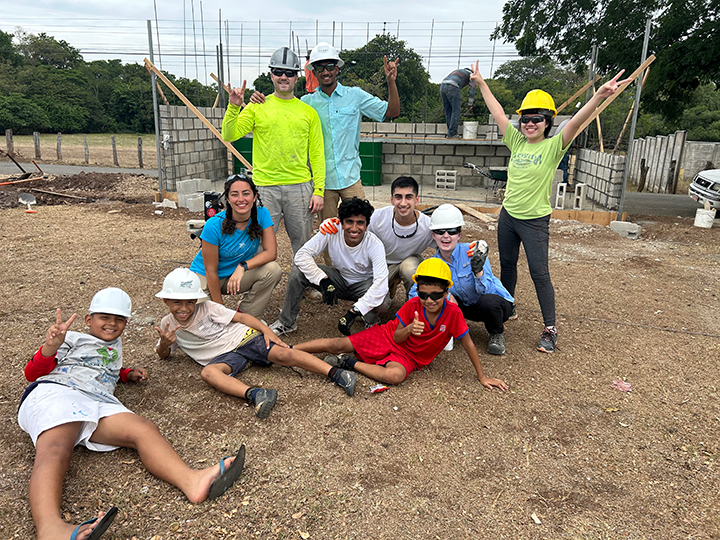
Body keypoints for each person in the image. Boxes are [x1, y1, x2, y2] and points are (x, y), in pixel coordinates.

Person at [18, 288, 246, 540]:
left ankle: (192, 481)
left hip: (99, 400)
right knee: (57, 447)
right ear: (88, 320)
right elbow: (33, 373)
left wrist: (126, 374)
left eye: (119, 319)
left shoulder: (114, 346)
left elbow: (103, 368)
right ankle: (50, 529)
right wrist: (50, 347)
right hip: (60, 392)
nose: (112, 324)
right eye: (105, 317)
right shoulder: (69, 338)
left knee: (143, 428)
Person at [470, 61, 631, 352]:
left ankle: (550, 328)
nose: (530, 124)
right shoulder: (517, 143)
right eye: (526, 119)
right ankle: (509, 307)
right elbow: (497, 112)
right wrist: (482, 83)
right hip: (508, 216)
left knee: (539, 273)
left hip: (534, 221)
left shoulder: (554, 146)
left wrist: (598, 96)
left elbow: (577, 122)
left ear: (548, 122)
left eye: (537, 119)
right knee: (507, 265)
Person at [155, 268, 357, 419]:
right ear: (166, 301)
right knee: (208, 373)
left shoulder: (207, 307)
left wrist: (267, 331)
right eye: (177, 302)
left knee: (283, 355)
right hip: (222, 357)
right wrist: (164, 344)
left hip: (242, 338)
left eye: (190, 301)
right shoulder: (167, 324)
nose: (184, 307)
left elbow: (243, 318)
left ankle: (336, 373)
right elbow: (163, 354)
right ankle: (258, 394)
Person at [294, 259, 508, 389]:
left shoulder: (453, 313)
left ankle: (346, 363)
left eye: (436, 295)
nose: (429, 300)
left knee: (394, 376)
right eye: (424, 294)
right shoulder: (412, 305)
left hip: (411, 357)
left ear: (446, 291)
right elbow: (396, 336)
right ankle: (291, 350)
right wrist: (409, 329)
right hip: (387, 336)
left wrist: (482, 376)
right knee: (336, 344)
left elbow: (469, 343)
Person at [250, 43, 399, 224]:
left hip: (350, 177)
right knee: (328, 233)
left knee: (360, 226)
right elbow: (281, 103)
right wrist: (260, 100)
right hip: (323, 183)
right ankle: (329, 255)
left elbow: (392, 112)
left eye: (330, 67)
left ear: (337, 69)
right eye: (320, 68)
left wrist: (391, 81)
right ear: (314, 71)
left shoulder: (356, 96)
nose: (325, 72)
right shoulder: (306, 104)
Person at [222, 46, 325, 256]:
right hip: (265, 188)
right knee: (257, 243)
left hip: (300, 187)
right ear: (271, 75)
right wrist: (234, 107)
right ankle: (258, 287)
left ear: (298, 77)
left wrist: (319, 190)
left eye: (289, 73)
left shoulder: (309, 113)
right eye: (278, 72)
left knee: (303, 246)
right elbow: (229, 135)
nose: (283, 77)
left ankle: (303, 287)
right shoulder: (257, 106)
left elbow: (316, 154)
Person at [269, 197, 390, 336]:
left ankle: (370, 320)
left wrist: (354, 311)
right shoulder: (332, 230)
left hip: (363, 285)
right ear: (341, 223)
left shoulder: (375, 244)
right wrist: (323, 279)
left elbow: (381, 283)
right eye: (349, 222)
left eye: (360, 223)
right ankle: (286, 323)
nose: (354, 228)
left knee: (383, 302)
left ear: (367, 225)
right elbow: (302, 255)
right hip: (338, 280)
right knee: (298, 271)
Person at [409, 204, 514, 356]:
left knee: (488, 302)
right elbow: (415, 292)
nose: (446, 236)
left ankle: (496, 333)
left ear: (459, 234)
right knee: (442, 297)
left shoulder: (473, 251)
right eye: (440, 231)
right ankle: (451, 331)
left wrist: (478, 272)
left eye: (451, 231)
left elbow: (488, 291)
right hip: (465, 307)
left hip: (495, 304)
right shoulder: (434, 264)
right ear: (433, 235)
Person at [320, 176, 433, 298]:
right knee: (372, 297)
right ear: (392, 199)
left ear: (417, 200)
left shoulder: (427, 225)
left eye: (409, 197)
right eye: (398, 197)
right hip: (380, 265)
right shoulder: (378, 217)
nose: (403, 203)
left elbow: (446, 247)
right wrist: (331, 223)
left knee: (409, 268)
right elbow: (354, 224)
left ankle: (412, 306)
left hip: (409, 261)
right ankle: (389, 286)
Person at [189, 174, 281, 318]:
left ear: (255, 196)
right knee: (205, 324)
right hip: (206, 278)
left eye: (246, 193)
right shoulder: (213, 225)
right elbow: (210, 271)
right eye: (234, 194)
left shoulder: (262, 214)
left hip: (235, 276)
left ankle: (244, 316)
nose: (241, 199)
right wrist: (221, 311)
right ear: (227, 199)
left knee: (272, 270)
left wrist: (243, 266)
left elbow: (271, 253)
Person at [440, 67, 476, 138]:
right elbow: (472, 89)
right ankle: (452, 133)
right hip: (453, 87)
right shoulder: (471, 75)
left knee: (448, 111)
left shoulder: (457, 71)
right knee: (456, 111)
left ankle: (450, 133)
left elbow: (448, 85)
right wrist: (470, 104)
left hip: (442, 86)